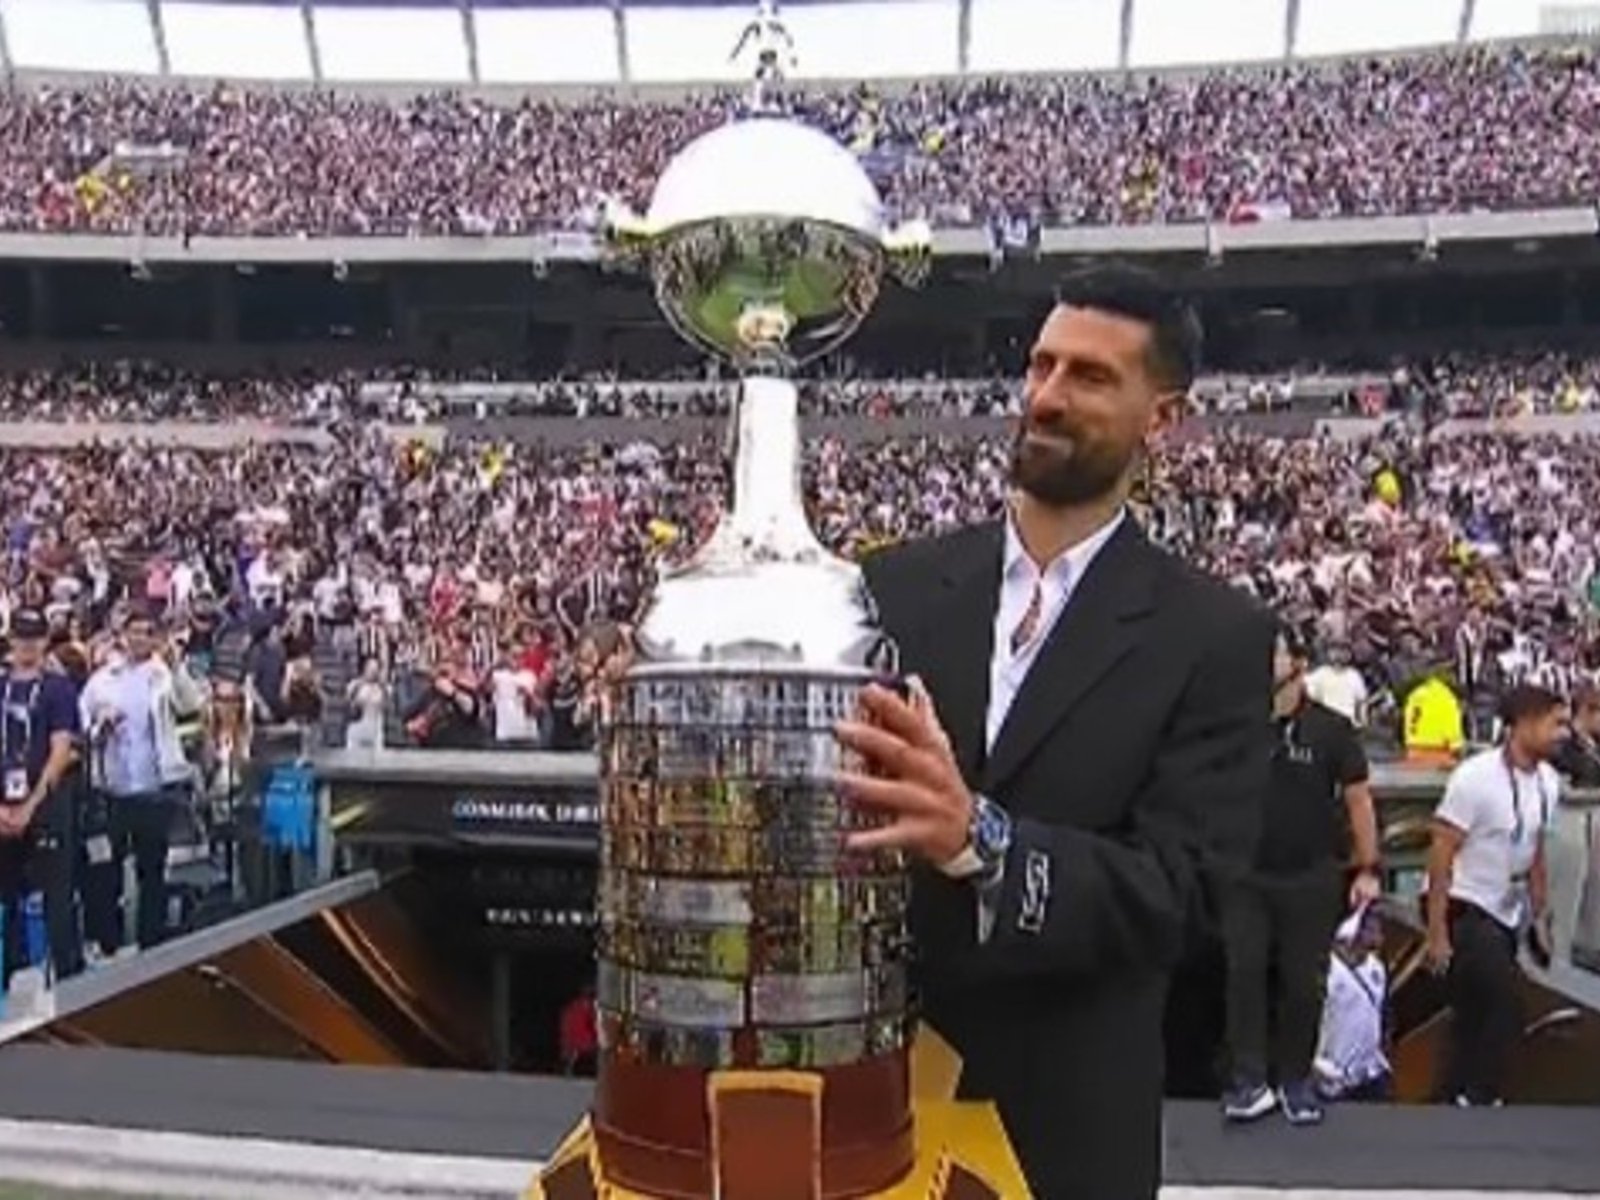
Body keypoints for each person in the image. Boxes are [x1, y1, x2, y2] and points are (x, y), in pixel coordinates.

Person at [847, 265, 1274, 1200]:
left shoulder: (1215, 635)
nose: (1045, 396)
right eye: (1041, 365)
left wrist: (983, 842)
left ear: (1162, 418)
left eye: (1089, 376)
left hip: (1068, 1135)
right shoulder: (889, 588)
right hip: (871, 1117)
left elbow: (1186, 896)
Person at [1221, 625, 1379, 1126]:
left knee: (1303, 982)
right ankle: (1248, 1080)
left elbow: (1358, 799)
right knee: (1243, 975)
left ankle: (1296, 1078)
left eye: (1273, 654)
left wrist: (1368, 866)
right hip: (1245, 872)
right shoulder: (1236, 725)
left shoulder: (1331, 730)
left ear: (1299, 663)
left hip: (1309, 874)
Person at [1425, 683, 1566, 1107]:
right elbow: (1441, 851)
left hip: (1506, 908)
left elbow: (1534, 848)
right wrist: (1436, 932)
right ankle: (1480, 1095)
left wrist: (1541, 912)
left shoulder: (1548, 782)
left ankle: (1451, 1096)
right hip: (1465, 903)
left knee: (1473, 1013)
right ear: (1523, 724)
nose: (1561, 734)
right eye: (1554, 724)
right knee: (1505, 1003)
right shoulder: (1475, 778)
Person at [79, 608, 204, 951]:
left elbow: (191, 705)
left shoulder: (164, 675)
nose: (139, 639)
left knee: (152, 870)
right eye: (133, 631)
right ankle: (109, 944)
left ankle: (152, 942)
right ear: (123, 636)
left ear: (155, 637)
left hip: (154, 788)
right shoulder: (103, 679)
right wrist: (100, 724)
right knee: (107, 871)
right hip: (114, 788)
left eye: (147, 632)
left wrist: (177, 668)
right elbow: (82, 723)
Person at [0, 609, 82, 982]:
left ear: (45, 641)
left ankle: (67, 978)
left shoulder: (57, 688)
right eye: (21, 637)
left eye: (34, 638)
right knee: (7, 899)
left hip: (46, 805)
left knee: (56, 897)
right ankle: (11, 973)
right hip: (5, 803)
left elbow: (61, 749)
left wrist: (31, 805)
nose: (27, 645)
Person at [1312, 903, 1392, 1103]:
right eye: (1371, 929)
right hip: (1333, 1075)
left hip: (1370, 1074)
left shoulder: (1377, 968)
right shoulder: (1327, 969)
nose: (1378, 936)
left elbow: (1380, 1013)